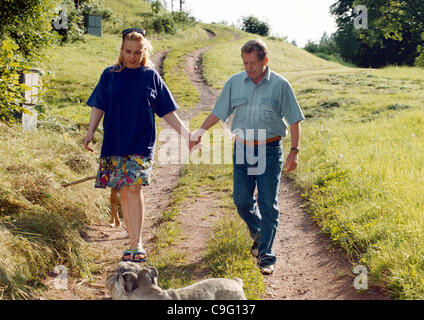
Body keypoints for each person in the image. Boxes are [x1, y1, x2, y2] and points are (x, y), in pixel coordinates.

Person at [84, 28, 198, 263]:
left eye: (137, 52)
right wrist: (90, 132)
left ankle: (137, 244)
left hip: (141, 143)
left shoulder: (150, 76)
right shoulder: (110, 75)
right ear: (121, 50)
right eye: (128, 51)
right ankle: (131, 241)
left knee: (134, 188)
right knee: (124, 192)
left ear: (144, 51)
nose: (132, 56)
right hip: (115, 142)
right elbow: (99, 105)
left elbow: (167, 111)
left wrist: (187, 135)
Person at [193, 39, 305, 274]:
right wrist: (200, 132)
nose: (248, 67)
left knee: (267, 204)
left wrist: (294, 152)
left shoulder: (280, 85)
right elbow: (219, 111)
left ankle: (266, 255)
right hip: (242, 149)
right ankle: (260, 233)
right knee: (241, 201)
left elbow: (294, 119)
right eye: (245, 63)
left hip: (269, 149)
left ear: (265, 61)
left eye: (253, 63)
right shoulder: (235, 83)